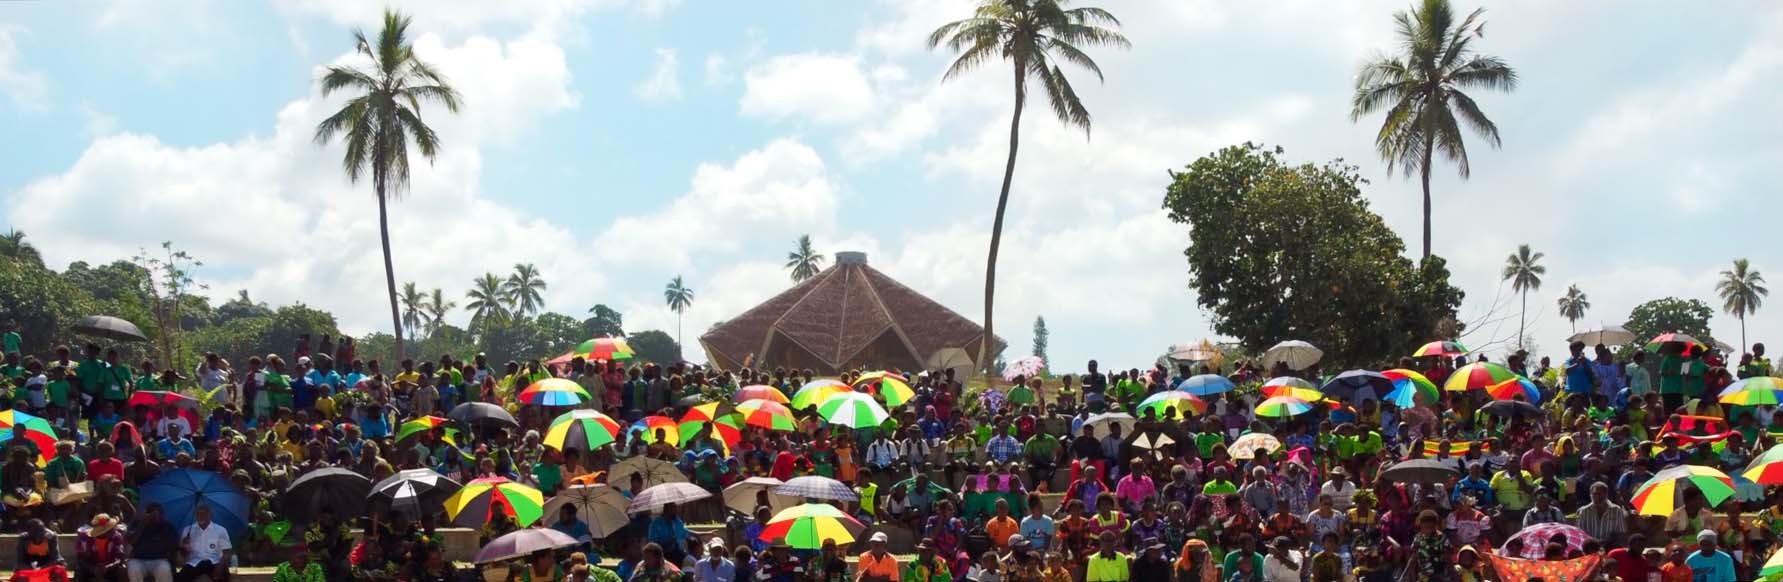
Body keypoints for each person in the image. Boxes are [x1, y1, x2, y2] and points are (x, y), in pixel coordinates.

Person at [177, 504, 232, 582]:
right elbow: (183, 554)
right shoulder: (188, 530)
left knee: (224, 576)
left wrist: (220, 567)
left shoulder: (220, 530)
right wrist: (184, 545)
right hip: (194, 563)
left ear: (210, 515)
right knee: (179, 578)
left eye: (204, 514)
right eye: (198, 514)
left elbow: (227, 552)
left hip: (214, 562)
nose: (201, 516)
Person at [128, 503, 178, 582]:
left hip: (159, 560)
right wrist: (142, 524)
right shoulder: (138, 524)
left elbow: (173, 547)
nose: (155, 516)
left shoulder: (168, 527)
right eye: (152, 513)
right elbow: (131, 541)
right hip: (138, 559)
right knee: (133, 569)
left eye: (159, 513)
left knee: (164, 569)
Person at [77, 513, 128, 582]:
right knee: (79, 571)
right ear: (102, 532)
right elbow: (80, 559)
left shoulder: (117, 537)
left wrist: (108, 567)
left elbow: (120, 558)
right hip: (91, 568)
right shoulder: (85, 538)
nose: (113, 530)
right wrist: (93, 569)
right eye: (109, 529)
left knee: (122, 570)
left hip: (111, 568)